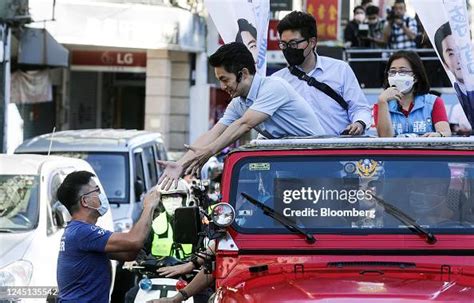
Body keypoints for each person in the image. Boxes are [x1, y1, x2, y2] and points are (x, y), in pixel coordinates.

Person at [158, 42, 324, 190]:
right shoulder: (239, 103)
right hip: (291, 167)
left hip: (319, 164)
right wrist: (180, 164)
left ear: (243, 73)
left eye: (225, 79)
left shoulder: (274, 87)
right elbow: (214, 133)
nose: (222, 86)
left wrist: (209, 152)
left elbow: (245, 124)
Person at [56, 171, 160, 303]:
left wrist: (150, 213)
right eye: (97, 190)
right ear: (85, 201)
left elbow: (128, 254)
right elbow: (134, 241)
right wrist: (148, 206)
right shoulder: (82, 232)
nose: (102, 195)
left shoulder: (79, 231)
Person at [272, 11, 372, 136]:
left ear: (312, 42)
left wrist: (359, 123)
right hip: (296, 152)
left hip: (338, 149)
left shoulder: (340, 70)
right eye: (283, 44)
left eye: (293, 44)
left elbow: (359, 107)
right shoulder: (276, 81)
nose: (288, 49)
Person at [374, 51, 451, 137]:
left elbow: (445, 133)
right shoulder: (381, 104)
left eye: (403, 71)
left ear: (416, 77)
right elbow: (385, 140)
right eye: (392, 72)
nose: (397, 76)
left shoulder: (434, 102)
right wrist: (382, 102)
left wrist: (438, 135)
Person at [434, 21, 474, 130]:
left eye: (461, 49)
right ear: (444, 64)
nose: (459, 59)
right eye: (451, 53)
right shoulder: (457, 107)